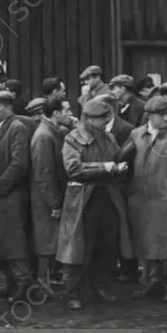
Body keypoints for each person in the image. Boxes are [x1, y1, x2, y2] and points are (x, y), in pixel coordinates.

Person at [56, 96, 133, 311]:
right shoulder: (73, 139)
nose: (105, 122)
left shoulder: (107, 137)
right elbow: (73, 169)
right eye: (101, 118)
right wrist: (105, 168)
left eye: (106, 117)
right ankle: (75, 291)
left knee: (106, 245)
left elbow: (116, 156)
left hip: (107, 197)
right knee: (79, 248)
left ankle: (100, 285)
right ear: (88, 119)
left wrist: (122, 160)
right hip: (82, 200)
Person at [123, 96, 167, 300]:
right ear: (150, 116)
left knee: (166, 241)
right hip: (140, 196)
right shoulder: (136, 135)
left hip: (164, 197)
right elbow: (124, 162)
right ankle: (151, 280)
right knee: (144, 240)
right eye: (162, 115)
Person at [0, 90, 33, 300]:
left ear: (9, 106)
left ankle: (23, 282)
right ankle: (10, 283)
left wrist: (0, 186)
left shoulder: (18, 128)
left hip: (10, 193)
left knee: (14, 239)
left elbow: (19, 163)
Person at [29, 95, 69, 290]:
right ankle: (43, 282)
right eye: (66, 110)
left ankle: (48, 279)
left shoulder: (52, 132)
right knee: (47, 242)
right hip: (45, 199)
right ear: (56, 113)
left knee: (51, 240)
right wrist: (54, 202)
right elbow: (43, 173)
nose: (69, 114)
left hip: (49, 196)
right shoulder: (44, 136)